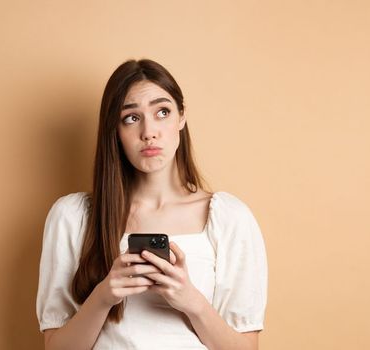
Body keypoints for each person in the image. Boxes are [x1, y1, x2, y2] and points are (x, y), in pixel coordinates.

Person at [36, 58, 268, 349]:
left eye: (162, 112)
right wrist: (104, 295)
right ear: (115, 131)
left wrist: (190, 300)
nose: (149, 132)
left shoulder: (229, 217)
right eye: (131, 118)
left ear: (181, 118)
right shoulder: (73, 217)